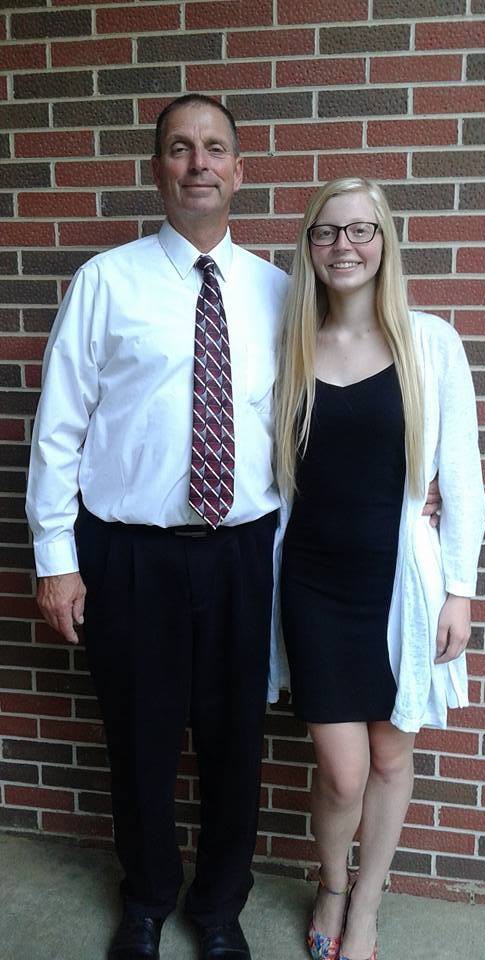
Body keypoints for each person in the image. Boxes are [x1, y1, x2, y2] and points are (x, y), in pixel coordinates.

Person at [26, 94, 290, 960]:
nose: (198, 163)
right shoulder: (107, 282)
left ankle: (218, 910)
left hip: (243, 552)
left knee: (234, 742)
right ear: (157, 171)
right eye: (180, 148)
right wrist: (57, 559)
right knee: (138, 739)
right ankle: (144, 900)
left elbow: (308, 422)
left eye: (214, 148)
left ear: (240, 170)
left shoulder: (281, 293)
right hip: (131, 555)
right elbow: (59, 428)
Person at [270, 178, 485, 960]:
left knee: (392, 755)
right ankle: (332, 882)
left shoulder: (430, 342)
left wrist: (459, 590)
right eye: (327, 232)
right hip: (312, 582)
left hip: (401, 585)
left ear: (385, 242)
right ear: (309, 246)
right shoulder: (288, 344)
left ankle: (366, 902)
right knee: (342, 770)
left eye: (361, 230)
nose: (345, 247)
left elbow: (462, 477)